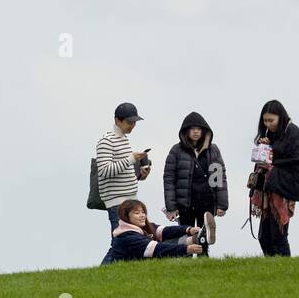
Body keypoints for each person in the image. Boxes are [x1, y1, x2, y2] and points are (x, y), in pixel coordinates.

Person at [249, 100, 299, 256]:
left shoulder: (293, 132)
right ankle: (271, 268)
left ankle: (284, 270)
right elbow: (267, 159)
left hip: (284, 189)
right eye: (265, 120)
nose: (268, 124)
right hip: (268, 191)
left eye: (271, 120)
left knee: (278, 235)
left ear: (280, 118)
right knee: (264, 237)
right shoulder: (268, 135)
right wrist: (265, 147)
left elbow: (297, 162)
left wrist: (272, 152)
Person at [97, 102, 151, 264]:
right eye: (129, 122)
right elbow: (105, 170)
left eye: (134, 122)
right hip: (117, 203)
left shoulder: (123, 139)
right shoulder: (106, 141)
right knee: (119, 243)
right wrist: (131, 159)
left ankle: (105, 275)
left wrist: (141, 175)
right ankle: (101, 275)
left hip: (128, 200)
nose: (133, 126)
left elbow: (121, 173)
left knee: (126, 242)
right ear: (117, 120)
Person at [163, 111, 228, 245]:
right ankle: (185, 262)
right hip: (184, 203)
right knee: (185, 235)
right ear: (185, 131)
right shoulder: (176, 150)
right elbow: (169, 179)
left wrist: (222, 205)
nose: (196, 132)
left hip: (206, 201)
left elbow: (219, 178)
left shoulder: (213, 150)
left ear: (204, 131)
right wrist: (171, 207)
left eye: (199, 129)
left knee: (205, 235)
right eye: (192, 129)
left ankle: (203, 261)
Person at [101, 199, 206, 263]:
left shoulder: (142, 227)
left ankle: (196, 237)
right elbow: (157, 249)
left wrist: (188, 229)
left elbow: (165, 231)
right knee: (162, 246)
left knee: (167, 237)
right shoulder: (127, 236)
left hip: (138, 266)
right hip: (119, 274)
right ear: (126, 217)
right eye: (137, 213)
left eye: (143, 212)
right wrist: (186, 249)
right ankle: (195, 239)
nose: (142, 216)